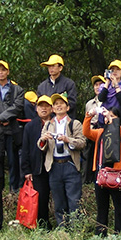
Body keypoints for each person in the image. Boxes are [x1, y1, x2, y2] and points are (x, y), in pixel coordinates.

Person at [37, 93, 86, 228]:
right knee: (58, 201)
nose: (58, 106)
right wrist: (44, 139)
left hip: (70, 164)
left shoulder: (74, 123)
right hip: (54, 166)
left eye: (61, 103)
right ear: (53, 109)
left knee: (74, 200)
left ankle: (76, 229)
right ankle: (62, 229)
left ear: (67, 107)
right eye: (56, 104)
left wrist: (67, 140)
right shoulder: (48, 124)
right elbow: (40, 145)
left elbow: (82, 142)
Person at [83, 106, 121, 236]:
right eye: (107, 116)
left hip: (116, 174)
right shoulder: (100, 132)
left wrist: (111, 120)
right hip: (101, 173)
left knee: (119, 206)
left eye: (113, 116)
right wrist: (89, 116)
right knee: (102, 207)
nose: (108, 118)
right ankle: (100, 234)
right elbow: (86, 132)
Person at [0, 60, 25, 193]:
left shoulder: (17, 89)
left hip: (12, 129)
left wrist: (2, 117)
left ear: (8, 72)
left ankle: (14, 187)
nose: (0, 73)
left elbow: (17, 106)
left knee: (13, 160)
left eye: (3, 70)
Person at [20, 94, 54, 228]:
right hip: (38, 167)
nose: (44, 109)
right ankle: (42, 224)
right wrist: (26, 170)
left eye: (46, 106)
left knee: (58, 196)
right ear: (36, 108)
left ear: (51, 108)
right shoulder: (30, 126)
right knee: (41, 197)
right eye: (41, 106)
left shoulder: (57, 123)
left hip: (55, 166)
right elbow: (25, 149)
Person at [98, 60, 121, 125]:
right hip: (104, 121)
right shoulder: (104, 86)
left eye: (118, 69)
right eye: (112, 70)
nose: (115, 71)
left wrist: (116, 85)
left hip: (120, 122)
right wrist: (107, 82)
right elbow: (101, 98)